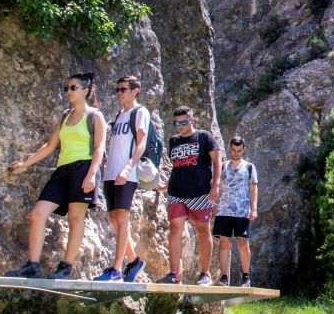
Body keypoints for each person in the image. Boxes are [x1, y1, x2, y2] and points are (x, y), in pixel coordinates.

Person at [5, 73, 106, 279]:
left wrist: (91, 174)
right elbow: (50, 146)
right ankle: (32, 266)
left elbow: (99, 148)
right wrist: (25, 164)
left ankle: (65, 267)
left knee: (75, 218)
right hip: (62, 170)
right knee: (38, 213)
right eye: (67, 88)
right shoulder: (65, 116)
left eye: (73, 88)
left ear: (86, 91)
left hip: (84, 168)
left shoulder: (95, 116)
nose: (69, 91)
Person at [158, 106, 220, 285]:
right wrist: (166, 185)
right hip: (176, 193)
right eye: (177, 123)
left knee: (202, 230)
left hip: (200, 193)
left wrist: (215, 185)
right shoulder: (174, 140)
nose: (180, 126)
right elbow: (178, 166)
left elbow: (217, 161)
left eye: (183, 122)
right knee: (175, 229)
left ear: (191, 120)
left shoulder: (204, 137)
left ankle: (205, 273)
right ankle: (173, 274)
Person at [97, 74, 149, 282]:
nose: (119, 93)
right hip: (110, 173)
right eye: (117, 89)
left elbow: (141, 143)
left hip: (126, 173)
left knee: (121, 217)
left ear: (135, 91)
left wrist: (128, 168)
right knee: (113, 219)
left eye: (123, 89)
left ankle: (116, 270)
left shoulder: (140, 112)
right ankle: (133, 261)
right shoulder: (119, 115)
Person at [215, 134, 258, 287]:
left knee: (242, 242)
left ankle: (246, 277)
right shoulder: (222, 166)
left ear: (243, 149)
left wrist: (254, 208)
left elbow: (253, 188)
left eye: (239, 150)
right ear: (230, 148)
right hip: (224, 210)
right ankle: (224, 277)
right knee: (224, 242)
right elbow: (215, 183)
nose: (236, 153)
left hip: (242, 211)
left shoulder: (249, 167)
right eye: (233, 150)